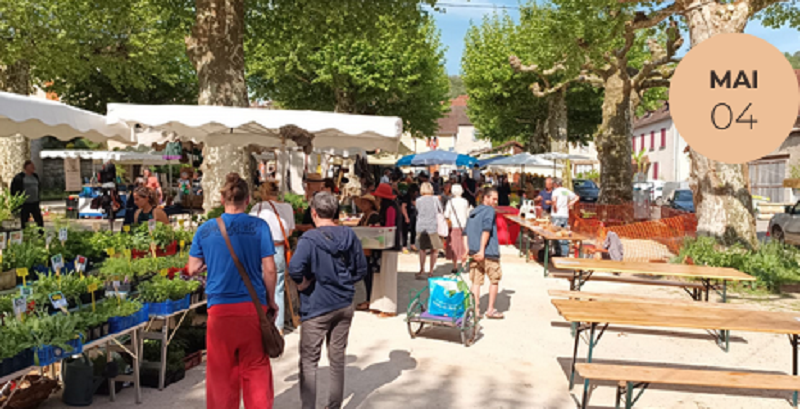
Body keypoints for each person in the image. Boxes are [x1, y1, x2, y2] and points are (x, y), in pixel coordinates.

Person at [187, 173, 278, 409]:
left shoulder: (205, 230)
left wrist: (210, 263)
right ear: (247, 199)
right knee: (256, 369)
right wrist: (271, 301)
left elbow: (193, 267)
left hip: (219, 311)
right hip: (252, 307)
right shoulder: (259, 226)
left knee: (221, 372)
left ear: (221, 198)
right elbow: (269, 269)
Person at [288, 191, 367, 409]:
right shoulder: (349, 235)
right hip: (343, 303)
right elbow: (361, 269)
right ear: (336, 212)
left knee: (309, 361)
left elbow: (294, 268)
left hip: (317, 305)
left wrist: (303, 283)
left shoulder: (309, 239)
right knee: (337, 358)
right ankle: (333, 406)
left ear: (314, 213)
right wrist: (344, 281)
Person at [250, 181, 295, 334]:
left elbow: (251, 231)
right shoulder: (287, 207)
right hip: (279, 248)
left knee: (260, 286)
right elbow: (290, 232)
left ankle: (262, 324)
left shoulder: (258, 208)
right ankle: (279, 326)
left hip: (261, 250)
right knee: (278, 287)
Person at [465, 187, 504, 319]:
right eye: (493, 199)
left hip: (473, 252)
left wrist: (467, 250)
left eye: (496, 199)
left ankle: (475, 310)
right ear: (485, 197)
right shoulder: (489, 211)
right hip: (488, 252)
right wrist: (482, 250)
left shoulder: (473, 212)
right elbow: (486, 230)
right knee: (494, 279)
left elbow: (465, 233)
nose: (495, 202)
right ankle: (490, 309)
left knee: (476, 282)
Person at [369, 183, 402, 318]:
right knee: (380, 275)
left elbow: (388, 226)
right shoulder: (389, 206)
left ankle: (389, 308)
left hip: (390, 245)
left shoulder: (390, 208)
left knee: (387, 277)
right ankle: (377, 304)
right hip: (384, 245)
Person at [355, 194, 381, 311]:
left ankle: (370, 300)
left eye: (365, 203)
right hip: (364, 250)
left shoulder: (374, 216)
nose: (363, 205)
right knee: (366, 276)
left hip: (370, 250)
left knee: (370, 276)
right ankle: (369, 298)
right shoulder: (364, 216)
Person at [414, 182, 443, 279]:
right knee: (434, 250)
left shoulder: (418, 200)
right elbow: (440, 211)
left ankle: (422, 269)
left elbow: (417, 211)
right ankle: (431, 271)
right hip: (432, 226)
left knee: (422, 249)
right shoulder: (435, 199)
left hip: (421, 226)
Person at [444, 184, 471, 274]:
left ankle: (455, 266)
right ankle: (464, 265)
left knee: (454, 246)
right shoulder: (465, 201)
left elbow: (446, 214)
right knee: (464, 246)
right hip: (464, 226)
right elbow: (468, 214)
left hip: (453, 226)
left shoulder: (450, 202)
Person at [551, 178, 580, 257]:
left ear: (555, 184)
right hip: (565, 215)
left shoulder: (555, 191)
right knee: (565, 233)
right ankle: (565, 252)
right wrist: (571, 203)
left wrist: (554, 207)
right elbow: (577, 197)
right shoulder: (566, 191)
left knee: (556, 234)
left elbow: (554, 200)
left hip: (556, 215)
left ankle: (558, 252)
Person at [11, 160, 43, 229]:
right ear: (26, 167)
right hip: (25, 204)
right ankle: (25, 235)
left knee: (39, 220)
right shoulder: (20, 177)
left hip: (34, 202)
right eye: (31, 166)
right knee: (25, 221)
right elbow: (14, 190)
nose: (33, 168)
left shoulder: (35, 176)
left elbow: (38, 187)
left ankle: (41, 235)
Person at [400, 183, 419, 253]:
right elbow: (403, 207)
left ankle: (412, 244)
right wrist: (406, 217)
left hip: (413, 215)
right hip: (407, 215)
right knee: (405, 231)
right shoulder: (406, 197)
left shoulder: (414, 198)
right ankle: (404, 246)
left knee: (413, 231)